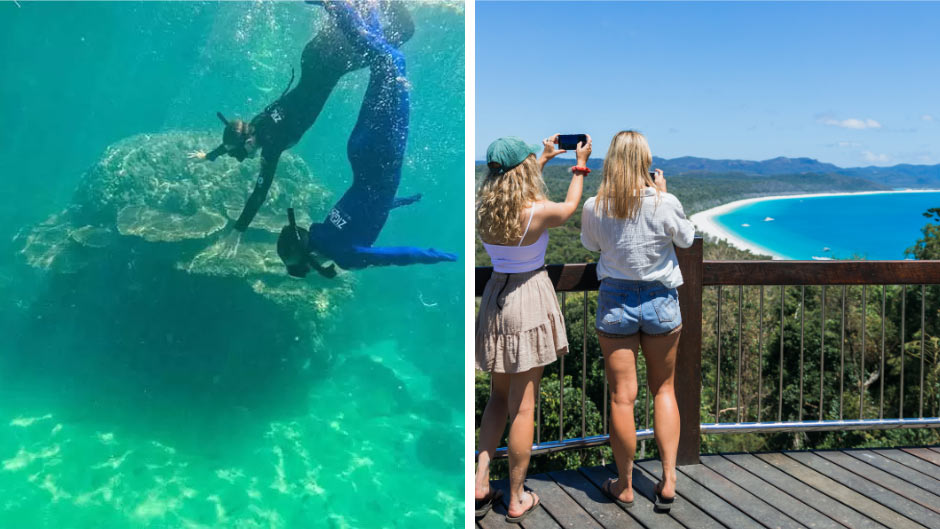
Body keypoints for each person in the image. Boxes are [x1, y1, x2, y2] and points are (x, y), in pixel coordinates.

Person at [189, 0, 415, 257]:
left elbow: (258, 194)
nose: (243, 157)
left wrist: (238, 229)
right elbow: (233, 136)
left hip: (328, 62)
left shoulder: (270, 142)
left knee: (399, 33)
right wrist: (210, 155)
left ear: (248, 141)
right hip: (319, 59)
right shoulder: (258, 123)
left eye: (241, 152)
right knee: (393, 30)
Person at [275, 0, 456, 276]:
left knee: (391, 61)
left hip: (381, 155)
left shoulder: (346, 256)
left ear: (307, 258)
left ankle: (337, 4)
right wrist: (400, 201)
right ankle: (366, 7)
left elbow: (398, 256)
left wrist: (437, 256)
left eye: (304, 268)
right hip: (361, 152)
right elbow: (364, 206)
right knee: (382, 63)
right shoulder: (327, 228)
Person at [474, 134, 591, 523]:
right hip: (527, 298)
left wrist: (541, 158)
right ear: (523, 170)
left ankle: (480, 479)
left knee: (497, 399)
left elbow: (511, 193)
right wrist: (579, 164)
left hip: (495, 298)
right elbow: (570, 206)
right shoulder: (537, 212)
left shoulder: (482, 210)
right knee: (523, 408)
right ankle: (517, 496)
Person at [580, 130, 695, 512]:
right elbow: (687, 239)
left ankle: (625, 485)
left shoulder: (596, 205)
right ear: (646, 163)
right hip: (661, 300)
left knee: (621, 397)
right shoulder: (665, 202)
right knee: (663, 390)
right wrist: (662, 191)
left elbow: (590, 245)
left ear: (611, 161)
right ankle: (669, 481)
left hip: (616, 301)